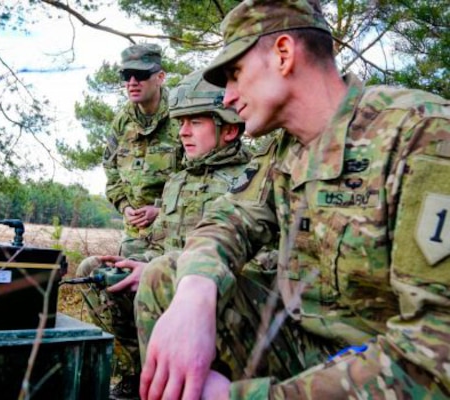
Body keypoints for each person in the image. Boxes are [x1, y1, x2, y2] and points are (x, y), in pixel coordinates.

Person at [135, 0, 450, 399]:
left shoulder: (423, 135)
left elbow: (436, 353)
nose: (228, 98)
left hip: (390, 364)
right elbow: (227, 221)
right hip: (306, 345)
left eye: (235, 74)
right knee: (166, 276)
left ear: (283, 54)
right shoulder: (285, 150)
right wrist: (195, 293)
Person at [77, 70, 260, 399]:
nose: (184, 133)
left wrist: (160, 268)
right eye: (181, 123)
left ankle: (172, 384)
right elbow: (160, 241)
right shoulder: (178, 181)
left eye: (196, 123)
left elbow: (253, 264)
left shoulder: (248, 181)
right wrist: (133, 260)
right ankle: (135, 372)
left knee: (156, 277)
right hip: (163, 275)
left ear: (230, 129)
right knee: (94, 271)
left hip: (212, 294)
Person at [103, 43, 183, 259]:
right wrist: (125, 206)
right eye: (126, 75)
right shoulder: (121, 122)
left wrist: (161, 211)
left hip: (175, 233)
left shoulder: (182, 115)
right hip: (134, 235)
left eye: (140, 74)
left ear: (160, 77)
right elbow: (110, 171)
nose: (132, 82)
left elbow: (200, 175)